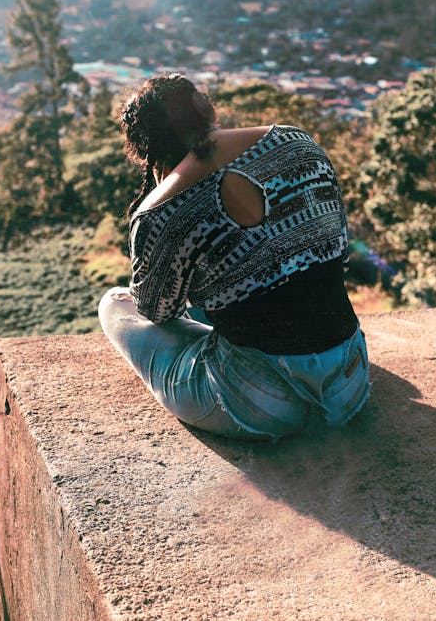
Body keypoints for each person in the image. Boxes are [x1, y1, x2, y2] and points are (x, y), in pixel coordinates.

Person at [99, 74, 370, 441]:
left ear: (143, 148)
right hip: (349, 382)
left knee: (115, 304)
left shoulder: (159, 211)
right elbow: (338, 259)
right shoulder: (298, 143)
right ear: (207, 109)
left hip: (257, 402)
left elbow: (157, 313)